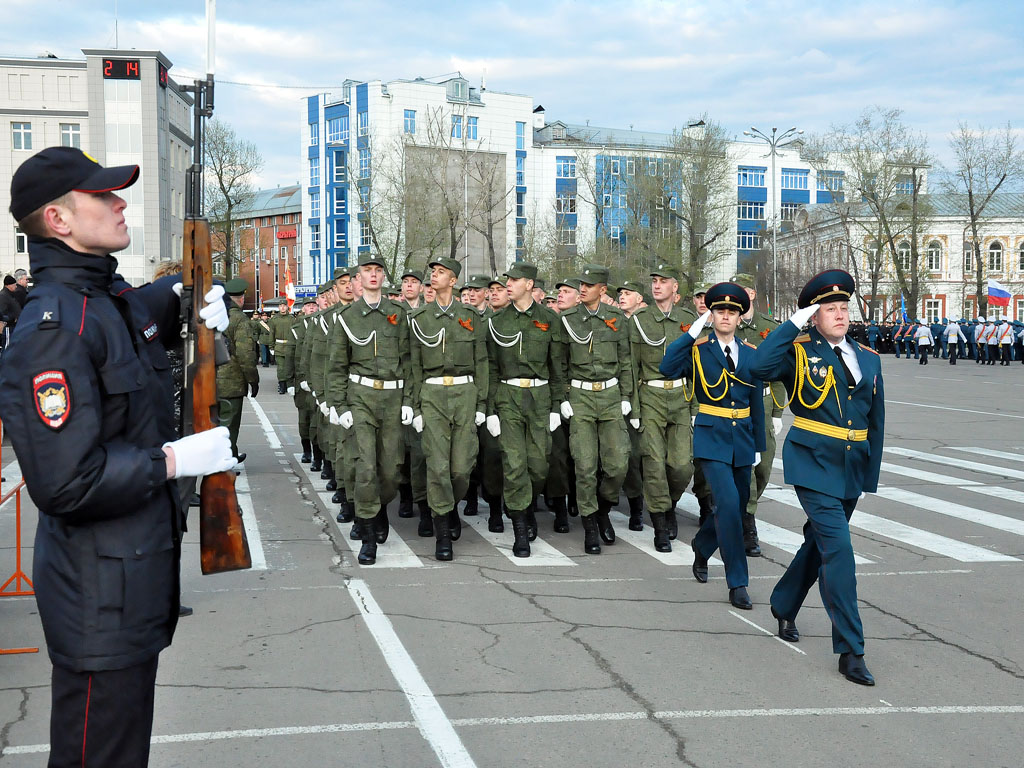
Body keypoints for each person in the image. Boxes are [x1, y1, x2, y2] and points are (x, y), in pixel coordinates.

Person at [0, 145, 236, 767]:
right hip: (97, 597)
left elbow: (146, 307)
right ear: (58, 221)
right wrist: (174, 462)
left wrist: (195, 291)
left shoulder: (103, 302)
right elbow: (65, 484)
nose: (119, 202)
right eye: (102, 196)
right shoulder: (53, 333)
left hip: (129, 587)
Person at [748, 269, 885, 686]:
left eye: (844, 307)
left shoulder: (870, 357)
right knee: (840, 551)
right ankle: (851, 649)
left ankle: (783, 602)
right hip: (812, 463)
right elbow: (757, 367)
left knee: (819, 544)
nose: (840, 315)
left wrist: (870, 474)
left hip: (851, 466)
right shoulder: (799, 350)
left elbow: (875, 418)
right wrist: (792, 324)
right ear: (814, 315)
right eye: (830, 309)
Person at [660, 283, 765, 610]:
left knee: (734, 505)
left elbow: (756, 402)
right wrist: (692, 331)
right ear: (711, 314)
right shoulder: (698, 350)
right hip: (711, 437)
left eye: (731, 312)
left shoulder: (750, 354)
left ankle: (703, 546)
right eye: (719, 310)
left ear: (739, 316)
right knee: (730, 504)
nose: (725, 316)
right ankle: (739, 583)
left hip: (743, 437)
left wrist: (759, 443)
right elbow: (667, 367)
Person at [326, 253, 411, 564]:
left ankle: (379, 508)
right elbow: (336, 365)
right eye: (367, 271)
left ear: (383, 277)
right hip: (360, 396)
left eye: (377, 270)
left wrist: (410, 401)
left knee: (390, 470)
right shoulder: (347, 318)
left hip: (392, 397)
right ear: (357, 279)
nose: (372, 275)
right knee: (365, 466)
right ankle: (368, 530)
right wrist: (340, 403)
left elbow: (409, 361)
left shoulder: (399, 314)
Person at [408, 256, 488, 560]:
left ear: (453, 281)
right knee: (438, 465)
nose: (434, 277)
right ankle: (443, 532)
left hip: (465, 393)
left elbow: (482, 361)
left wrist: (481, 403)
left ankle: (449, 504)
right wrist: (414, 406)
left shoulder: (470, 315)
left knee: (461, 468)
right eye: (433, 272)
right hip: (432, 393)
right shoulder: (420, 318)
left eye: (440, 273)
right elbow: (414, 366)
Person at [485, 261, 567, 553]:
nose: (508, 284)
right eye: (508, 279)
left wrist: (558, 404)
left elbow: (556, 365)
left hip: (540, 397)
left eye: (515, 280)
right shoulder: (496, 321)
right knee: (514, 462)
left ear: (530, 285)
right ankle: (519, 527)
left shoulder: (549, 318)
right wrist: (491, 408)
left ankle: (527, 506)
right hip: (508, 396)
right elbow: (491, 368)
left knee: (538, 464)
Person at [559, 264, 633, 554]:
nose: (583, 288)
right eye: (582, 284)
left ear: (603, 290)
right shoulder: (567, 319)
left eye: (589, 285)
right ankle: (590, 523)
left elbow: (626, 359)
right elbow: (560, 362)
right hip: (580, 395)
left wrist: (626, 394)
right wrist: (563, 397)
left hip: (611, 394)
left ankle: (603, 507)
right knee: (585, 464)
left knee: (617, 464)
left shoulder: (616, 318)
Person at [628, 264, 697, 551]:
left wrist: (694, 406)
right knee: (654, 464)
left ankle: (670, 503)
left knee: (681, 465)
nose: (657, 286)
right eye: (654, 281)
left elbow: (696, 366)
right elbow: (631, 367)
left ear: (675, 288)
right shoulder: (640, 320)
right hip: (650, 396)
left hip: (680, 396)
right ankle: (659, 522)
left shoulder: (689, 319)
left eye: (663, 281)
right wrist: (633, 408)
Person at [730, 272, 785, 557]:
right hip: (736, 404)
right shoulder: (726, 324)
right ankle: (747, 523)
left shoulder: (769, 327)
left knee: (763, 467)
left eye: (741, 291)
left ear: (750, 294)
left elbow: (778, 371)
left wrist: (777, 410)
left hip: (763, 403)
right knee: (743, 468)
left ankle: (743, 508)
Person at [218, 279, 259, 461]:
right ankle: (224, 462)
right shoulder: (240, 319)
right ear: (241, 298)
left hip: (208, 379)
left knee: (215, 423)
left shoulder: (215, 315)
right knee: (229, 425)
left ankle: (230, 453)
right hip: (231, 383)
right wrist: (253, 380)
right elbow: (246, 355)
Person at [270, 303, 294, 392]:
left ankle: (289, 384)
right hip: (279, 346)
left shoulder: (292, 319)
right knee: (280, 367)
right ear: (278, 307)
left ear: (287, 307)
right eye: (280, 306)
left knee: (289, 367)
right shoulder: (274, 319)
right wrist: (271, 346)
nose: (283, 307)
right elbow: (271, 333)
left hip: (289, 345)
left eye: (284, 306)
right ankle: (282, 385)